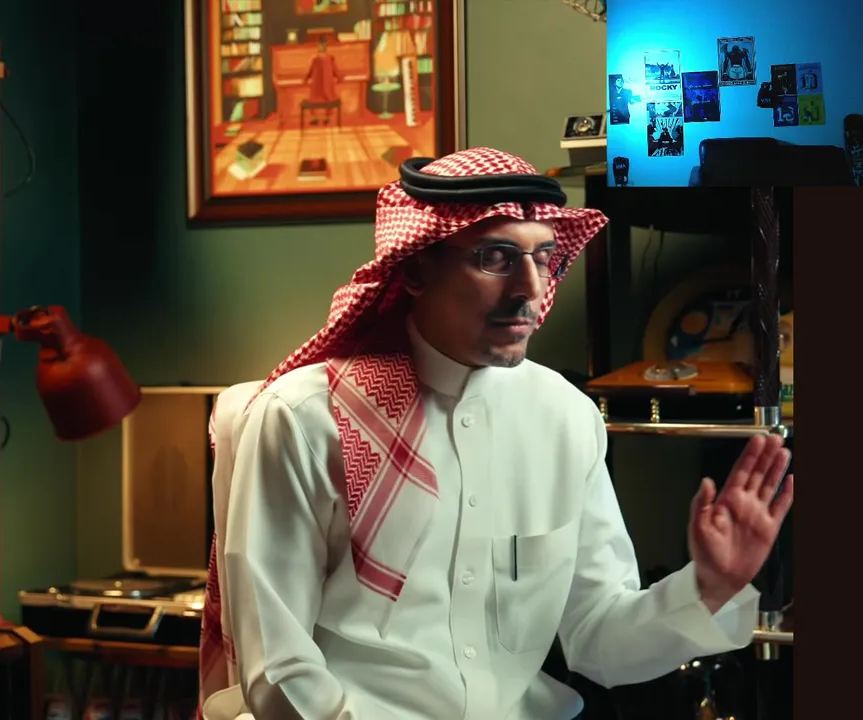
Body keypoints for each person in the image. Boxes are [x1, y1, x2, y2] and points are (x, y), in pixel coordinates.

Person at [197, 147, 794, 720]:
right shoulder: (306, 418)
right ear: (415, 268)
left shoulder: (566, 417)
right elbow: (281, 671)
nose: (530, 289)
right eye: (495, 258)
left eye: (544, 258)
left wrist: (709, 587)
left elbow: (598, 639)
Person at [304, 35, 341, 126]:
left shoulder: (315, 59)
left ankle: (315, 118)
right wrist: (339, 78)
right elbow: (336, 71)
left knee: (313, 95)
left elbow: (310, 72)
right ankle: (327, 118)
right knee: (329, 93)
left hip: (317, 92)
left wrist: (305, 79)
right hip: (328, 93)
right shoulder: (330, 58)